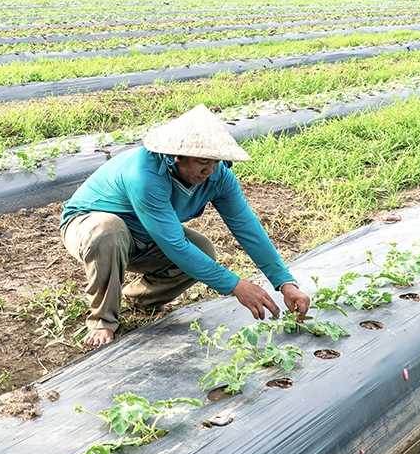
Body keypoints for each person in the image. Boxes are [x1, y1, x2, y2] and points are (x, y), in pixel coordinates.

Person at [61, 104, 311, 346]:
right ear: (176, 156)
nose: (210, 170)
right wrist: (236, 285)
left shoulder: (219, 176)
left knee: (203, 250)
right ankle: (103, 320)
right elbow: (174, 245)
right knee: (109, 229)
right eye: (203, 161)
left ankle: (140, 299)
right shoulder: (145, 174)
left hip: (148, 234)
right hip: (88, 226)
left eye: (216, 161)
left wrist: (285, 283)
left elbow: (247, 228)